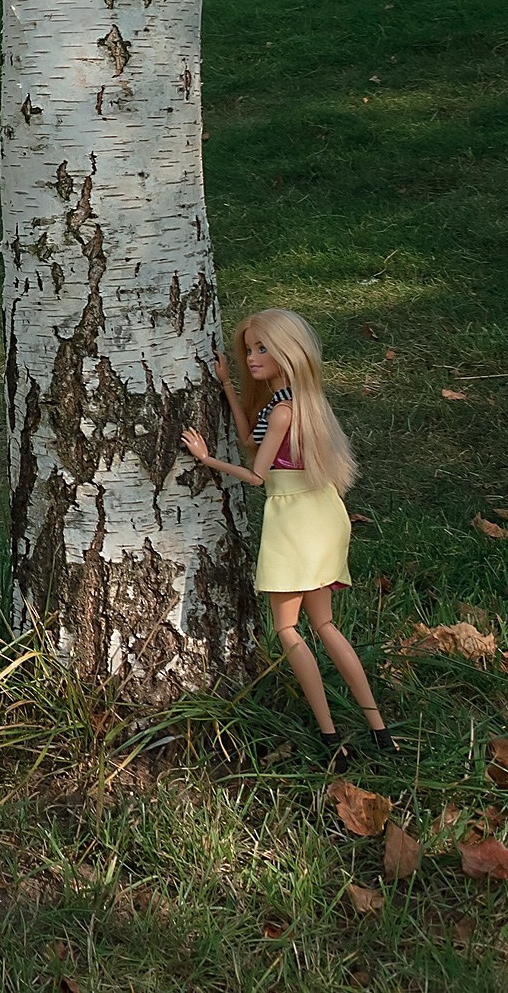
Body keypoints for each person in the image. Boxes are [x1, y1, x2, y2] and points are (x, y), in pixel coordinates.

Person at [181, 308, 397, 765]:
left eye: (263, 349)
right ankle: (379, 732)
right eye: (250, 349)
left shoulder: (283, 410)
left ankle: (328, 735)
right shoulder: (296, 403)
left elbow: (256, 475)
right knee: (326, 625)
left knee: (287, 628)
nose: (253, 357)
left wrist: (206, 460)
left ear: (287, 354)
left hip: (293, 520)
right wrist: (226, 385)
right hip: (321, 513)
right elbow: (248, 438)